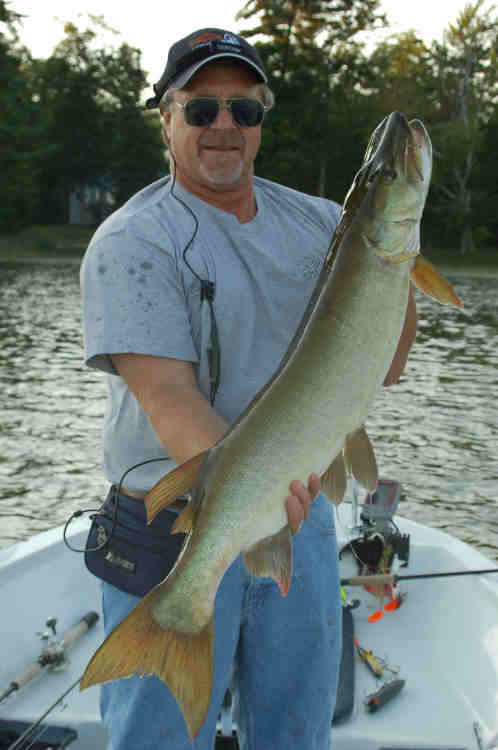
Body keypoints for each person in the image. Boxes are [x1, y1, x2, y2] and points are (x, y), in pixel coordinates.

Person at [80, 28, 417, 750]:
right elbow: (170, 400)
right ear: (166, 117)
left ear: (262, 117)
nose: (224, 125)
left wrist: (398, 266)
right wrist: (256, 501)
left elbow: (385, 365)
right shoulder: (133, 241)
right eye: (202, 109)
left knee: (296, 734)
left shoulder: (323, 222)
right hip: (178, 528)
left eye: (244, 109)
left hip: (302, 516)